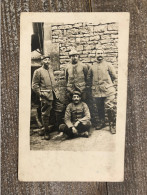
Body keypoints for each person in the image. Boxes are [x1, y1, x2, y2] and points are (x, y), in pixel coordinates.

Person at [88, 49, 117, 134]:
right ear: (95, 55)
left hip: (108, 91)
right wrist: (92, 87)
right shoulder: (92, 66)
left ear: (103, 54)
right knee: (99, 107)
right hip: (97, 91)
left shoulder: (108, 65)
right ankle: (102, 122)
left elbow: (114, 77)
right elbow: (89, 79)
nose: (99, 55)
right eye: (98, 53)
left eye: (101, 53)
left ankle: (112, 125)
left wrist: (111, 86)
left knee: (110, 107)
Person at [32, 55, 59, 140]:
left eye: (48, 60)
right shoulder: (38, 71)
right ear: (42, 61)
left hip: (54, 94)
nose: (47, 61)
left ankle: (54, 127)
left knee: (56, 110)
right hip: (45, 96)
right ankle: (46, 132)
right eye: (45, 60)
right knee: (45, 114)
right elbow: (34, 85)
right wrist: (41, 94)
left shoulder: (50, 70)